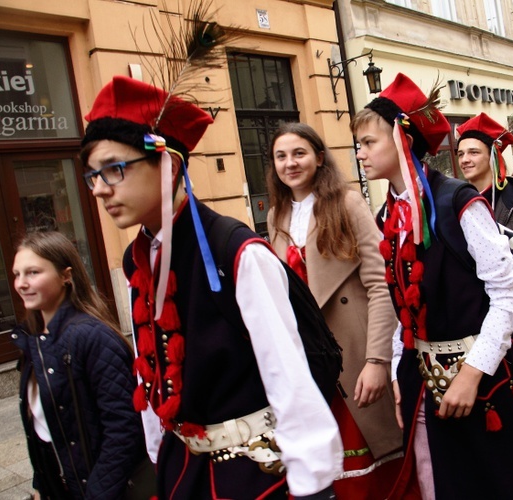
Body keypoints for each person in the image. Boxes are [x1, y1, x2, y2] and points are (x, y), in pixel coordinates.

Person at [80, 76, 342, 499]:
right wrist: (157, 451)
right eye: (92, 175)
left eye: (114, 169)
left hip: (252, 477)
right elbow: (149, 363)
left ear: (168, 164)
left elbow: (288, 376)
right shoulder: (138, 258)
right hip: (182, 472)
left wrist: (313, 484)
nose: (99, 189)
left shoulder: (236, 251)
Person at [351, 73, 513, 499]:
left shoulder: (457, 201)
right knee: (441, 482)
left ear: (402, 139)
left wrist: (472, 373)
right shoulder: (387, 216)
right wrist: (399, 370)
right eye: (358, 144)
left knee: (500, 483)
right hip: (423, 382)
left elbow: (507, 293)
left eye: (368, 142)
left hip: (483, 378)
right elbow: (401, 304)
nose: (360, 153)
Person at [266, 122, 402, 499]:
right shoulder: (275, 215)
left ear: (319, 158)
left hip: (354, 354)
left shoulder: (347, 202)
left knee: (373, 474)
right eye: (281, 156)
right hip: (307, 360)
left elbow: (381, 285)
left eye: (299, 153)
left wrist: (377, 361)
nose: (290, 163)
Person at [11, 231, 147, 499]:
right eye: (16, 274)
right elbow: (43, 431)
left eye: (33, 272)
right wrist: (41, 486)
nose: (21, 283)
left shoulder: (93, 336)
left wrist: (97, 493)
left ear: (66, 276)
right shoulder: (33, 340)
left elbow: (123, 428)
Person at [455, 113, 513, 278]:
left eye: (473, 152)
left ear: (492, 157)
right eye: (461, 154)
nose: (464, 160)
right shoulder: (457, 201)